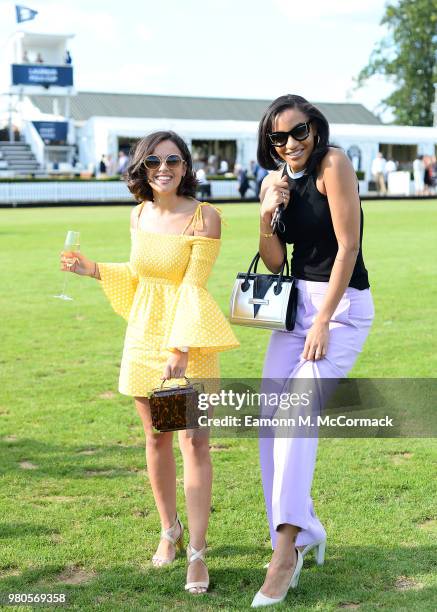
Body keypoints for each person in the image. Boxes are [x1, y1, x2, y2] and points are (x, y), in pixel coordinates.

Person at [60, 130, 239, 595]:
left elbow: (192, 287)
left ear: (186, 167)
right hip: (142, 338)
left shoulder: (205, 217)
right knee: (156, 437)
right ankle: (169, 531)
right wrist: (93, 269)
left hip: (187, 342)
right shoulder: (138, 214)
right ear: (141, 167)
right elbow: (142, 277)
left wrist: (178, 348)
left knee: (194, 442)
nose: (164, 168)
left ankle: (197, 552)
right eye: (154, 161)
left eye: (173, 160)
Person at [252, 94, 374, 607]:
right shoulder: (275, 180)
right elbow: (275, 257)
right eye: (278, 137)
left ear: (315, 129)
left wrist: (323, 319)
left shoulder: (334, 163)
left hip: (340, 308)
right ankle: (305, 529)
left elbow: (348, 244)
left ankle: (285, 554)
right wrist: (267, 211)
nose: (290, 144)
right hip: (294, 304)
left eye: (298, 132)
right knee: (267, 415)